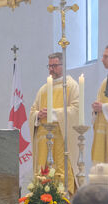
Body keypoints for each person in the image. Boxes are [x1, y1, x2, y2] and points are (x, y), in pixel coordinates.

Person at [29, 52, 79, 195]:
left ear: (63, 66)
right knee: (44, 173)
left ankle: (63, 203)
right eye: (49, 66)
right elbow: (33, 111)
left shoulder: (71, 86)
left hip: (62, 140)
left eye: (55, 65)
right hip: (44, 143)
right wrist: (38, 115)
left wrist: (53, 113)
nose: (51, 69)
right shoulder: (43, 90)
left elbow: (76, 110)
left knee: (61, 171)